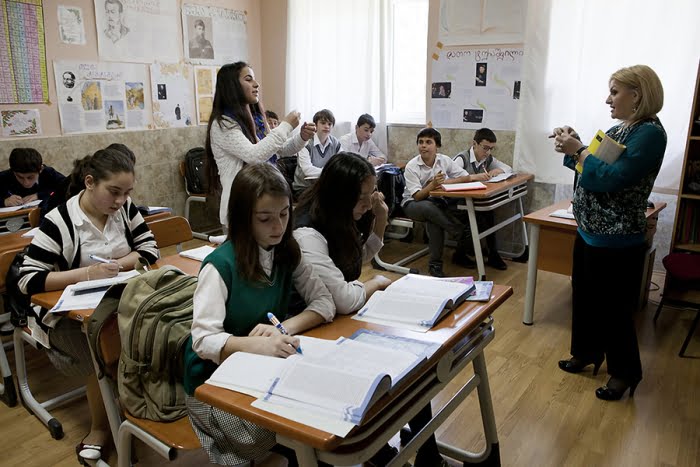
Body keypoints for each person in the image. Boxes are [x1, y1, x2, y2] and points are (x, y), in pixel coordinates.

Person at [292, 152, 448, 467]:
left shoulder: (341, 214)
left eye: (372, 192)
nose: (370, 201)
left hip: (336, 320)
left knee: (414, 364)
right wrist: (375, 283)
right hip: (312, 328)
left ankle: (423, 452)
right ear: (341, 195)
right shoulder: (308, 231)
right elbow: (345, 297)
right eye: (363, 197)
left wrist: (379, 219)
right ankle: (391, 452)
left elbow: (353, 263)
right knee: (395, 372)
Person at [183, 163, 334, 466]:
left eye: (284, 214)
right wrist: (258, 345)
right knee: (281, 429)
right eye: (265, 219)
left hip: (263, 368)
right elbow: (202, 340)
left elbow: (324, 303)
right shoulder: (220, 265)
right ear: (243, 218)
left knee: (320, 409)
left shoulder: (286, 251)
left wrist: (281, 329)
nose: (278, 227)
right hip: (211, 382)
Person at [17, 148, 159, 464]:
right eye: (114, 192)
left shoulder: (124, 210)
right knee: (104, 349)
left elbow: (149, 250)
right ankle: (102, 428)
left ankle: (139, 413)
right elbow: (28, 281)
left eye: (127, 193)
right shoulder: (60, 220)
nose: (121, 201)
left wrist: (119, 265)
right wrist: (87, 273)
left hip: (114, 305)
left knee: (151, 332)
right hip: (63, 317)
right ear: (90, 182)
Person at [553, 64, 666, 401]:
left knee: (614, 308)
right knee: (585, 296)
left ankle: (625, 372)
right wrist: (572, 147)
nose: (608, 99)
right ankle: (586, 353)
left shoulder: (649, 134)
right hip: (589, 230)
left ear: (638, 95)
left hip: (617, 239)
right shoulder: (619, 130)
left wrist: (579, 150)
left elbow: (613, 179)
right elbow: (589, 169)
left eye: (615, 92)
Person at [203, 61, 316, 226]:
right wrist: (285, 125)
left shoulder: (254, 119)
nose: (256, 84)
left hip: (267, 199)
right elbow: (254, 155)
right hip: (243, 206)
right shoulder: (223, 124)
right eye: (248, 79)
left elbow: (280, 150)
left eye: (254, 79)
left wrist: (302, 137)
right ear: (232, 86)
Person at [401, 127, 476, 278]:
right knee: (429, 208)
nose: (423, 145)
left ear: (437, 146)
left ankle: (435, 266)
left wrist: (446, 182)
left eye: (428, 142)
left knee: (435, 220)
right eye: (421, 142)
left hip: (436, 203)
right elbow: (417, 196)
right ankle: (459, 232)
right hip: (412, 204)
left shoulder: (444, 160)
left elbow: (465, 177)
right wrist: (433, 184)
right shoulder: (412, 166)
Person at [453, 128, 512, 270]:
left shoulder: (487, 159)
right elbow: (450, 179)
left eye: (491, 149)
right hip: (456, 202)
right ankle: (462, 254)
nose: (488, 152)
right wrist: (472, 178)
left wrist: (498, 170)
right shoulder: (462, 158)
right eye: (485, 148)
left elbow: (508, 168)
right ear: (474, 144)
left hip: (474, 201)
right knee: (482, 216)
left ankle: (492, 253)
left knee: (490, 212)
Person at [1, 148, 66, 216]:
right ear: (13, 172)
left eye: (30, 177)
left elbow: (68, 188)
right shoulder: (3, 177)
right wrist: (4, 201)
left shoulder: (48, 173)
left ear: (40, 169)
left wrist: (39, 195)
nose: (26, 183)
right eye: (20, 177)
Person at [292, 109, 342, 196]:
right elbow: (307, 170)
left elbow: (343, 162)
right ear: (315, 125)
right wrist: (330, 172)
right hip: (304, 188)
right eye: (323, 123)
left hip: (324, 186)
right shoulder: (305, 141)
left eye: (329, 124)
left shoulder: (335, 142)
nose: (327, 126)